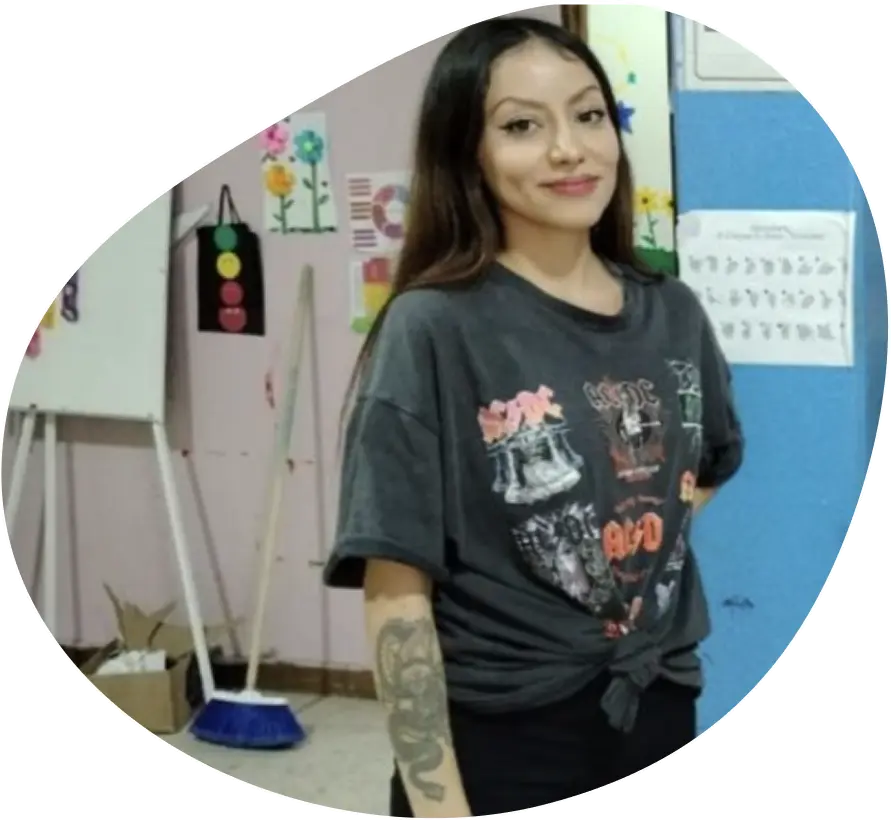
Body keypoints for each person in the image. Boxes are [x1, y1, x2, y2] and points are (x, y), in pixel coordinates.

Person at [323, 15, 744, 818]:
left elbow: (707, 463)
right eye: (522, 126)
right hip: (504, 730)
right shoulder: (434, 326)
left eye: (588, 116)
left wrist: (623, 545)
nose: (568, 148)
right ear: (467, 155)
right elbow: (395, 588)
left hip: (659, 699)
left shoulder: (671, 310)